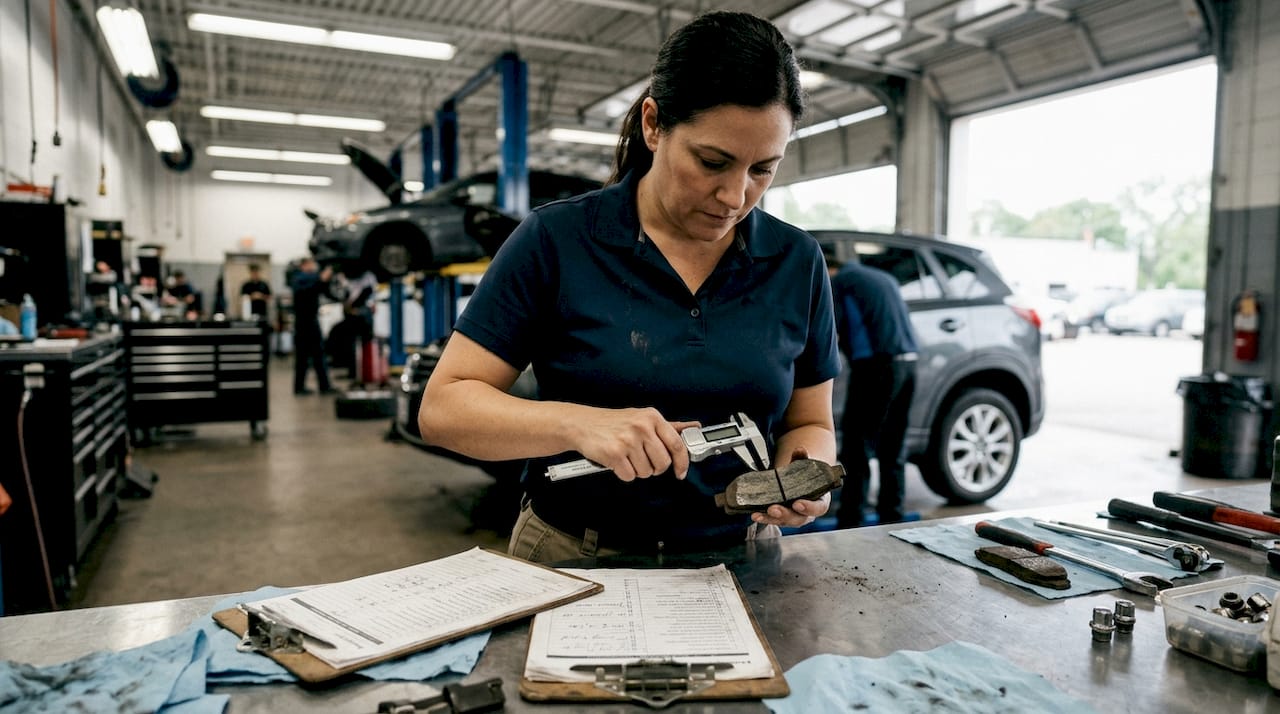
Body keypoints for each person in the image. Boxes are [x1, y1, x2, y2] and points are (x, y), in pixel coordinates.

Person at [418, 11, 840, 563]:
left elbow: (811, 421)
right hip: (575, 556)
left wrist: (801, 474)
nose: (735, 196)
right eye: (713, 162)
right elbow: (444, 409)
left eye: (763, 168)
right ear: (653, 124)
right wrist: (578, 423)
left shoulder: (795, 261)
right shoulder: (557, 240)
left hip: (742, 560)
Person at [827, 254, 919, 528]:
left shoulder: (840, 282)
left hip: (875, 367)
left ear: (830, 269)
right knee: (893, 445)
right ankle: (893, 516)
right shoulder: (883, 278)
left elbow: (831, 329)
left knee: (857, 445)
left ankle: (850, 519)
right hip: (910, 364)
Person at [289, 257, 334, 395]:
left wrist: (324, 279)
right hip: (304, 321)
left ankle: (324, 385)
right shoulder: (299, 278)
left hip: (311, 320)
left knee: (317, 354)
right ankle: (300, 387)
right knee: (305, 356)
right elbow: (307, 288)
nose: (314, 267)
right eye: (312, 264)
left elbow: (323, 289)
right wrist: (320, 279)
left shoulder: (310, 279)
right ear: (305, 265)